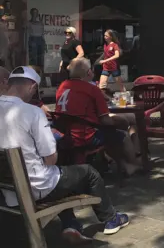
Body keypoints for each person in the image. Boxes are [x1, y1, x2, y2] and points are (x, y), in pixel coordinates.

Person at [0, 66, 130, 243]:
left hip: (8, 189)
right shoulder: (33, 112)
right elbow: (50, 159)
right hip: (35, 187)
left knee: (63, 176)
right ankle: (111, 218)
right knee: (88, 173)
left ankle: (71, 226)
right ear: (32, 87)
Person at [56, 57, 141, 175]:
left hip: (66, 134)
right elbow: (106, 121)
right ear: (88, 72)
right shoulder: (91, 89)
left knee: (111, 133)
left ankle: (122, 164)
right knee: (122, 134)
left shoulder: (62, 86)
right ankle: (133, 165)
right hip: (85, 136)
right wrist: (121, 122)